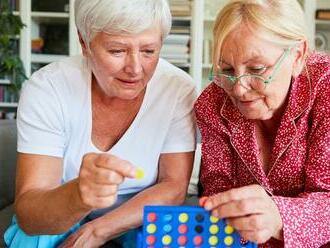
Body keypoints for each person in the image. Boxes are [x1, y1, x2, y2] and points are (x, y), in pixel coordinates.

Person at [4, 0, 196, 247]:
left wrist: (98, 231)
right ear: (84, 43)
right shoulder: (48, 88)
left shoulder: (177, 89)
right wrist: (78, 196)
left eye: (149, 51)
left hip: (138, 214)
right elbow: (31, 214)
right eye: (117, 51)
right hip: (65, 209)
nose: (135, 69)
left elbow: (174, 186)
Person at [195, 0, 330, 247]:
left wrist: (281, 216)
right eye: (227, 69)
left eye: (256, 69)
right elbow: (218, 190)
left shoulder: (326, 89)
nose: (238, 88)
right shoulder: (212, 103)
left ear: (298, 56)